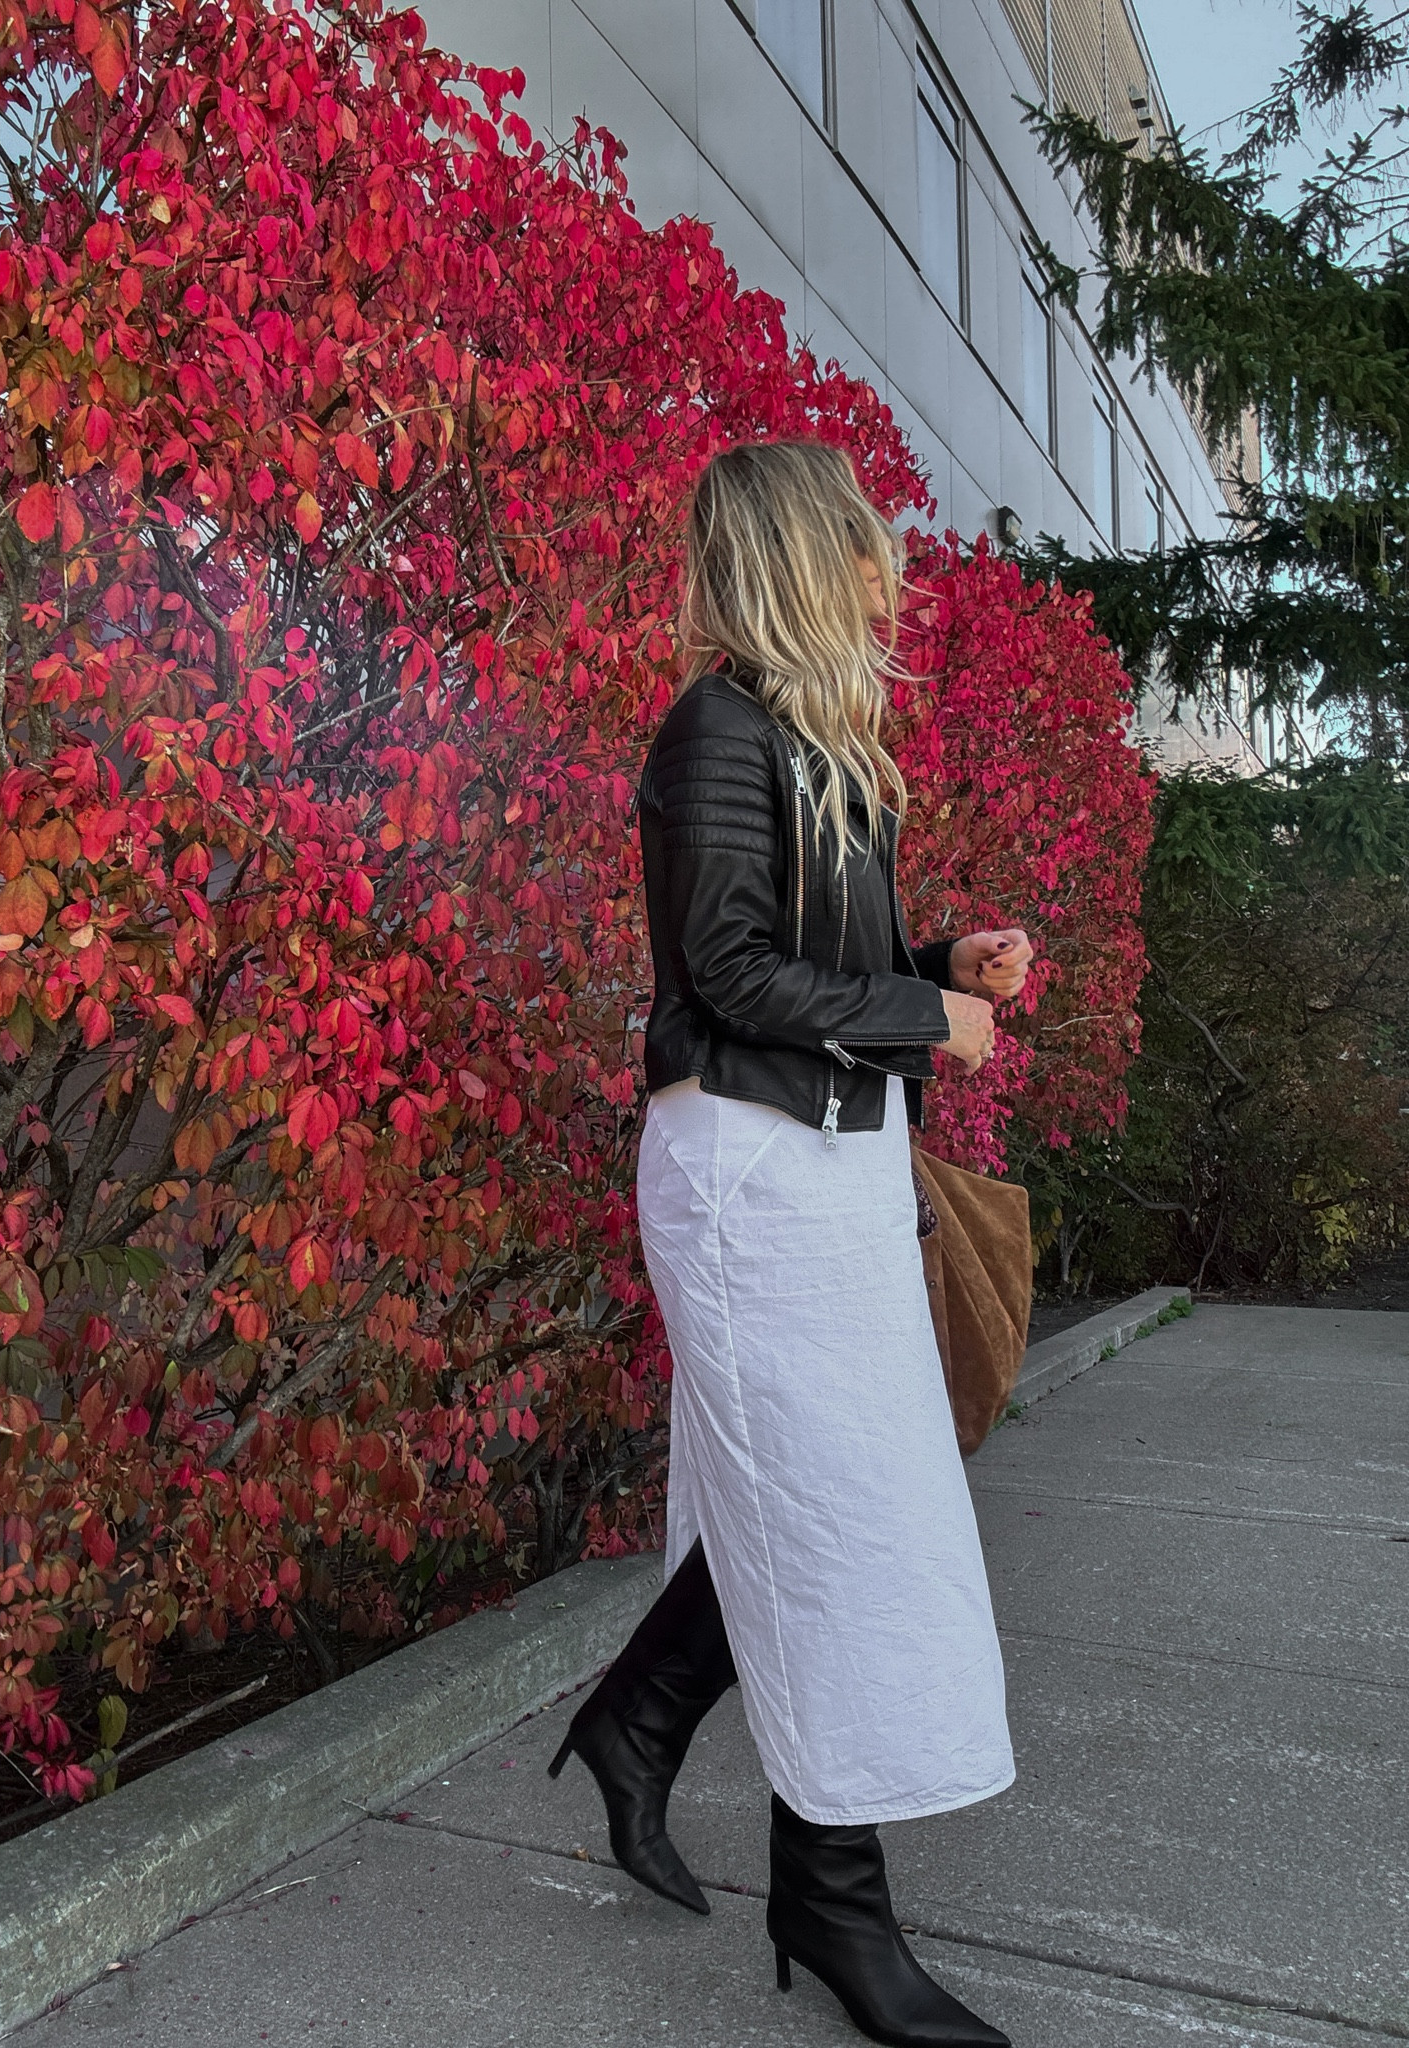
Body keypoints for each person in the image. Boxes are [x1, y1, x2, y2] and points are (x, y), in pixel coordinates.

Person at [548, 440, 1034, 2047]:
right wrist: (925, 1020)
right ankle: (833, 1913)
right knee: (839, 1531)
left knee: (818, 1504)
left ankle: (642, 1719)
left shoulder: (806, 742)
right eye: (864, 554)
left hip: (822, 1172)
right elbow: (732, 974)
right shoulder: (715, 733)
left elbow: (812, 954)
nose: (888, 581)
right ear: (797, 561)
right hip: (750, 1179)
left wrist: (939, 955)